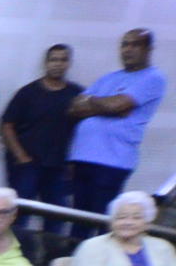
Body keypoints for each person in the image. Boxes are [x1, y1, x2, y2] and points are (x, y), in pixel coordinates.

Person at [68, 26, 163, 216]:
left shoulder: (152, 77)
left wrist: (92, 101)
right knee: (78, 219)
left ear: (148, 49)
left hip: (112, 162)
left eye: (135, 45)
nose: (128, 50)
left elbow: (116, 106)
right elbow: (74, 109)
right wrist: (108, 106)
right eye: (124, 45)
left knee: (101, 220)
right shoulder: (109, 78)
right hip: (83, 158)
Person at [0, 43, 79, 211]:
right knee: (19, 213)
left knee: (57, 215)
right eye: (54, 60)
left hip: (59, 167)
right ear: (46, 63)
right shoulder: (27, 93)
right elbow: (7, 125)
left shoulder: (76, 94)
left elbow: (82, 132)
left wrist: (73, 162)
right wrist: (21, 157)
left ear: (69, 63)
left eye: (63, 60)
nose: (58, 64)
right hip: (28, 166)